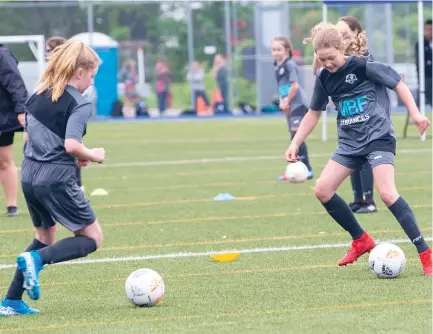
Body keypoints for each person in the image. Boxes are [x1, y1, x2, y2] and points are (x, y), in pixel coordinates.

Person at [286, 23, 432, 276]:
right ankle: (361, 239)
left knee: (387, 193)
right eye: (322, 59)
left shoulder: (363, 66)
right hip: (349, 144)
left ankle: (425, 253)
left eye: (331, 58)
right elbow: (313, 113)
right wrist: (295, 142)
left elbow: (398, 84)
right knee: (322, 190)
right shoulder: (323, 77)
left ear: (342, 48)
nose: (327, 63)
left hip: (378, 138)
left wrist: (417, 114)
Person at [0, 40, 105, 316]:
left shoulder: (39, 94)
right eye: (92, 76)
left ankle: (11, 301)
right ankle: (36, 260)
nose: (91, 83)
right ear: (79, 71)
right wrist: (92, 154)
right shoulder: (80, 104)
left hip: (30, 175)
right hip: (55, 178)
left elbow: (36, 137)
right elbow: (71, 144)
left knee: (45, 236)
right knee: (92, 237)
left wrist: (74, 156)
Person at [312, 16, 377, 214]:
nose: (339, 35)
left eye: (343, 32)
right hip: (350, 122)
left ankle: (369, 199)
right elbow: (317, 73)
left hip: (369, 120)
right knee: (352, 160)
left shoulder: (362, 59)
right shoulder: (334, 60)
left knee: (366, 159)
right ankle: (358, 199)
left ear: (355, 32)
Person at [45, 36, 85, 193]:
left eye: (48, 50)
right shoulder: (50, 73)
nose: (46, 54)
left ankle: (76, 187)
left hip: (65, 117)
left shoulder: (67, 73)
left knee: (72, 148)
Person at [271, 36, 314, 181]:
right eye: (273, 49)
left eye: (279, 49)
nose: (275, 52)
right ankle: (294, 169)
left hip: (298, 104)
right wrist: (284, 102)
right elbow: (283, 87)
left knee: (297, 137)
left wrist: (287, 100)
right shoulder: (277, 66)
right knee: (293, 136)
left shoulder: (290, 64)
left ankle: (307, 169)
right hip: (289, 105)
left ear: (287, 50)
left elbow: (294, 86)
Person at [0, 43, 28, 217]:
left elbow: (15, 83)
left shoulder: (2, 55)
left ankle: (12, 206)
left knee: (4, 160)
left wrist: (21, 110)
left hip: (2, 117)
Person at [415, 19, 432, 106]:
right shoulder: (421, 44)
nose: (430, 32)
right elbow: (420, 63)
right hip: (426, 77)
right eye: (428, 29)